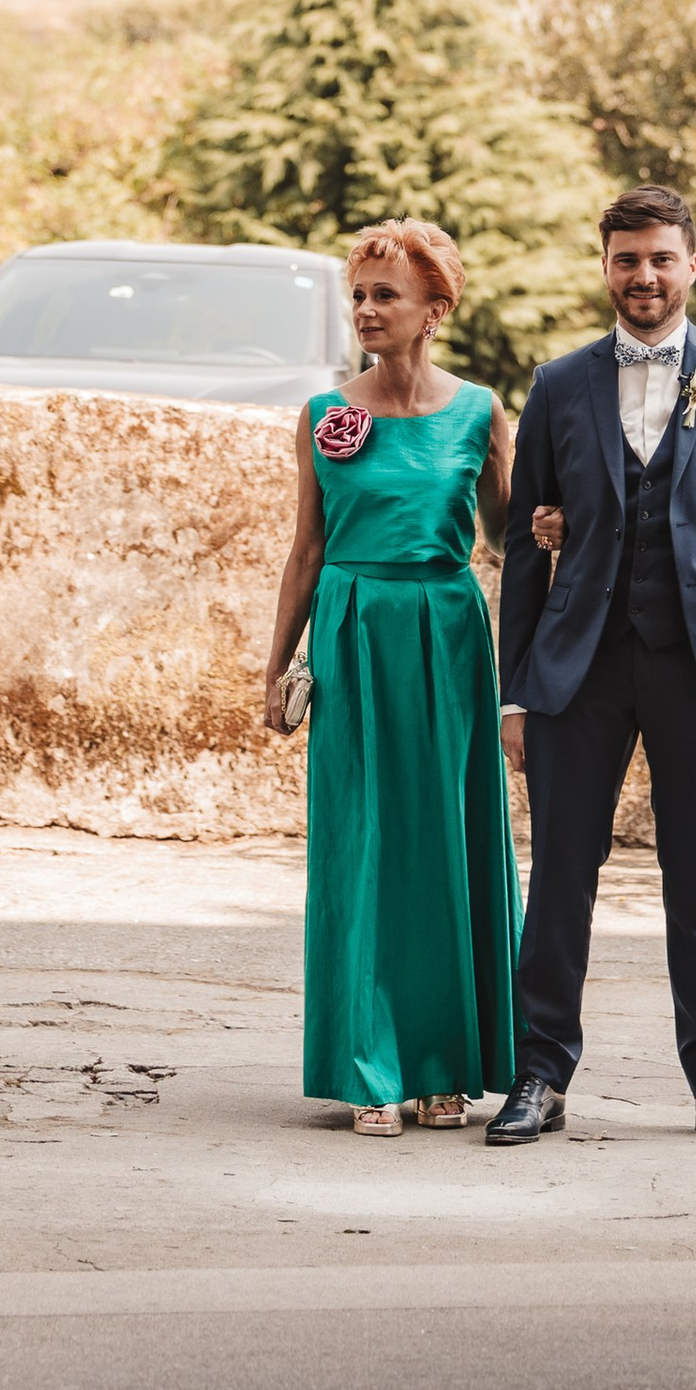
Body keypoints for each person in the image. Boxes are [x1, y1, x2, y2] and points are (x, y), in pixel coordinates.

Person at [488, 185, 696, 1148]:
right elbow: (524, 540)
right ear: (605, 267)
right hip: (577, 668)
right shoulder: (558, 385)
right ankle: (540, 1075)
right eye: (627, 259)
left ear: (691, 266)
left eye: (661, 259)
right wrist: (516, 689)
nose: (644, 276)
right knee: (559, 879)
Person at [261, 223, 521, 1136]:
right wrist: (277, 665)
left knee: (444, 843)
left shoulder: (481, 411)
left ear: (434, 312)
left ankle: (444, 1062)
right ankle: (371, 1066)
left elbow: (508, 538)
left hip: (448, 637)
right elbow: (307, 547)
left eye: (387, 297)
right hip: (352, 633)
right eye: (360, 296)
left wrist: (552, 537)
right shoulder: (325, 414)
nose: (368, 311)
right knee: (363, 845)